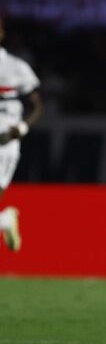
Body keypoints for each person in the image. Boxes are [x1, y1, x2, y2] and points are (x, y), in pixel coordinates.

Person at [0, 17, 44, 252]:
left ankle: (5, 220)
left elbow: (37, 106)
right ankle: (4, 220)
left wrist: (23, 127)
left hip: (4, 143)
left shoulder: (16, 67)